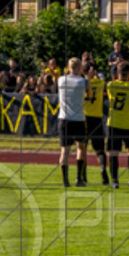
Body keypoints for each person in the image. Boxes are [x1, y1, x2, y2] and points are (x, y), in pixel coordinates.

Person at [106, 62, 129, 188]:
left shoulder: (111, 85)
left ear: (117, 73)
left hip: (114, 123)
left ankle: (115, 180)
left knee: (113, 153)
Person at [57, 58, 89, 187]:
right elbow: (89, 94)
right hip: (79, 118)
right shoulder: (82, 81)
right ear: (79, 68)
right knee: (80, 148)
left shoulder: (61, 80)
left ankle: (65, 181)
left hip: (64, 118)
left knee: (65, 151)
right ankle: (79, 178)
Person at [82, 62, 109, 185]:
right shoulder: (100, 82)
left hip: (84, 118)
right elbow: (100, 78)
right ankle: (103, 168)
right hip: (97, 118)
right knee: (100, 149)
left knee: (82, 149)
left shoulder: (81, 83)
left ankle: (83, 175)